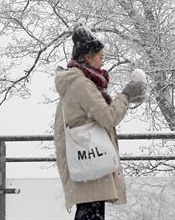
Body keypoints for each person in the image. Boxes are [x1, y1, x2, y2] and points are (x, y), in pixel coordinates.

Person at [53, 21, 146, 220]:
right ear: (88, 57)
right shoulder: (82, 85)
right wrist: (126, 95)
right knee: (91, 213)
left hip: (85, 161)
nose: (103, 61)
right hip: (90, 162)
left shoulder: (76, 82)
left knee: (89, 212)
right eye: (100, 56)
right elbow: (108, 117)